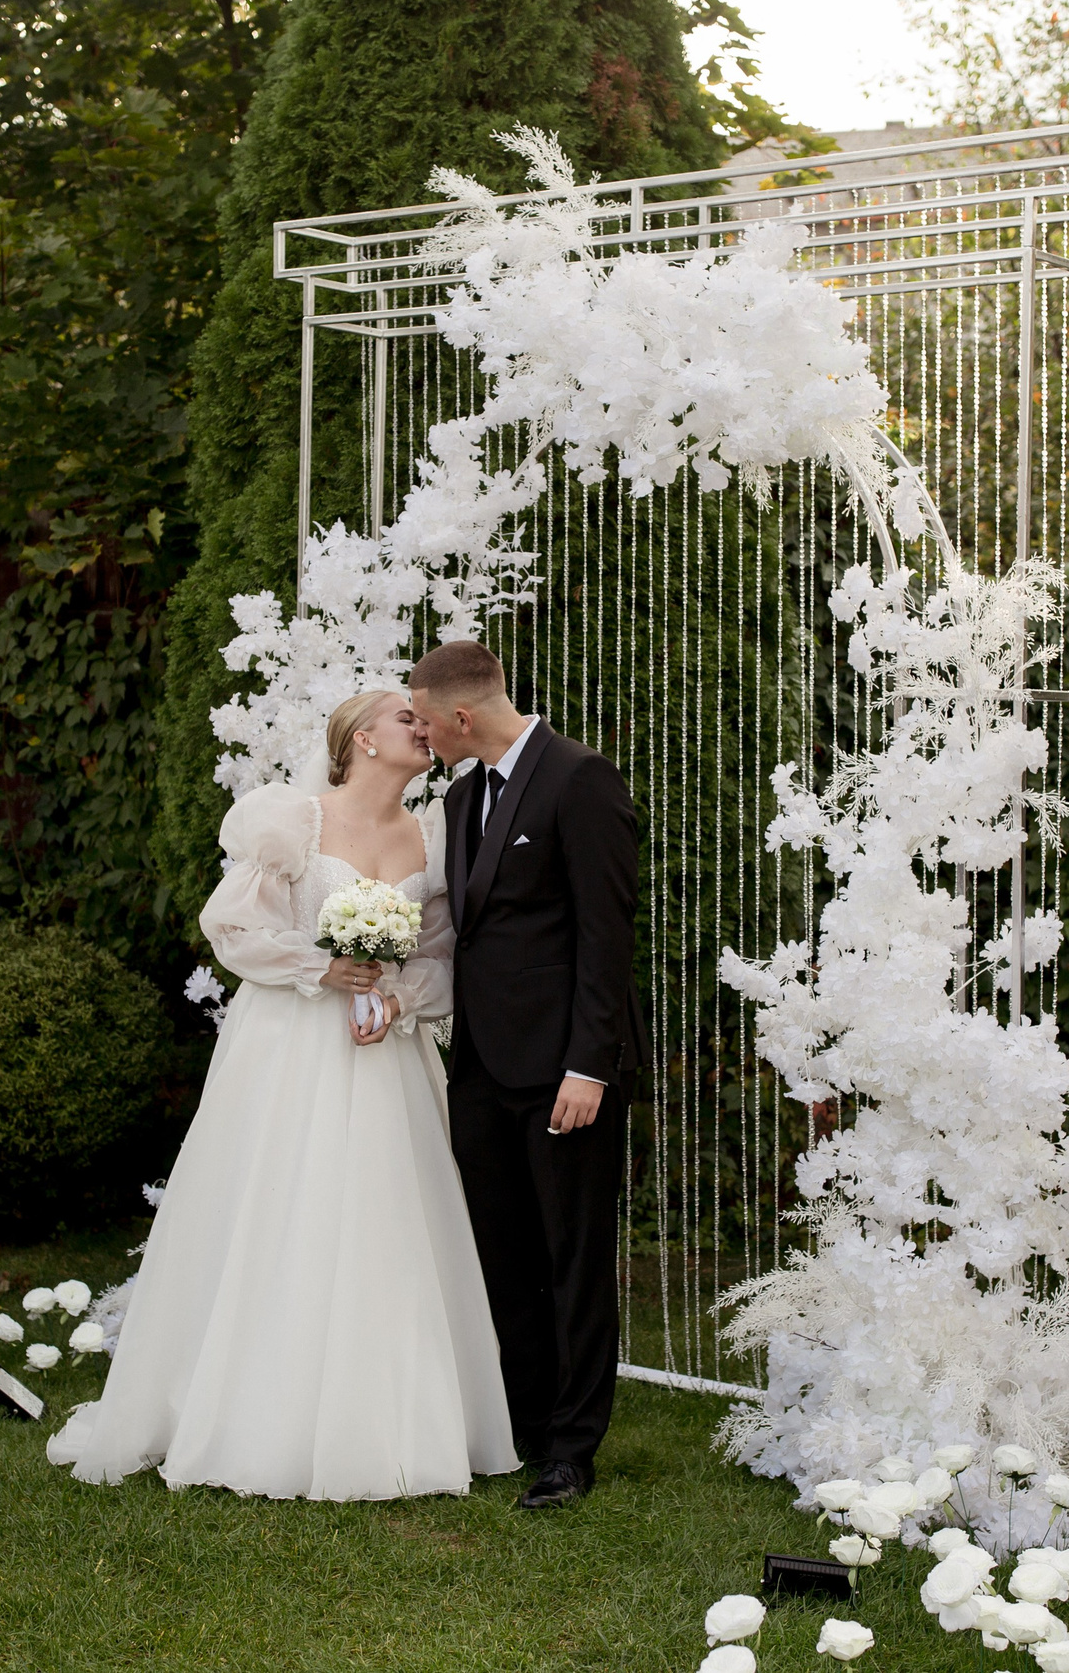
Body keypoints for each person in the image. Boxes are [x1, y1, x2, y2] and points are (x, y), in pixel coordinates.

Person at [44, 692, 515, 1499]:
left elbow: (440, 959)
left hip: (384, 1058)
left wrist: (395, 997)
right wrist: (320, 967)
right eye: (408, 718)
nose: (423, 728)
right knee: (279, 1207)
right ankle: (253, 1409)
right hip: (290, 1048)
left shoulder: (432, 837)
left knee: (385, 1217)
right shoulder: (291, 819)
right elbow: (232, 927)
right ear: (363, 738)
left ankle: (387, 1419)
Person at [408, 639, 649, 1509]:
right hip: (480, 1068)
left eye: (427, 721)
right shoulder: (464, 793)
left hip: (563, 1073)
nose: (422, 735)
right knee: (502, 1256)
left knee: (572, 1257)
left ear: (462, 715)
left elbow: (605, 937)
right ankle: (524, 1423)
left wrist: (589, 1066)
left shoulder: (580, 780)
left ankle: (572, 1451)